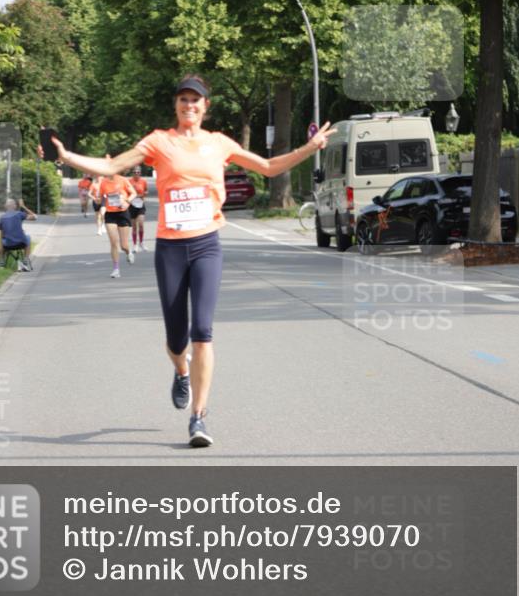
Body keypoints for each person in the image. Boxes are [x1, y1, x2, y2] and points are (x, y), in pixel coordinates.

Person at [41, 74, 336, 448]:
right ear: (176, 106)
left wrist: (310, 148)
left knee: (203, 332)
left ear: (205, 107)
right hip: (171, 248)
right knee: (176, 338)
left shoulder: (219, 144)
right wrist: (67, 157)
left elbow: (268, 166)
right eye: (183, 100)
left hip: (206, 245)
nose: (189, 106)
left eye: (195, 101)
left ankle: (199, 416)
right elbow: (113, 166)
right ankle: (181, 371)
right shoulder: (158, 141)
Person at [98, 157, 137, 278]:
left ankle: (128, 251)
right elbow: (102, 198)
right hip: (110, 214)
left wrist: (127, 201)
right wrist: (102, 204)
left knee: (123, 245)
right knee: (113, 242)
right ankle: (116, 269)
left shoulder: (123, 180)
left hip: (123, 212)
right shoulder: (103, 182)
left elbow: (134, 193)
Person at [0, 198, 37, 271]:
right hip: (21, 243)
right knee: (28, 237)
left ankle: (2, 264)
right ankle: (25, 261)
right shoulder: (19, 214)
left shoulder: (2, 218)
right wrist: (23, 206)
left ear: (6, 206)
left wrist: (0, 247)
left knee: (2, 240)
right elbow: (35, 217)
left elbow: (1, 234)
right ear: (15, 206)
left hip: (8, 245)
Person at [129, 165, 149, 252]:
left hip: (140, 204)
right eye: (135, 172)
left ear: (140, 173)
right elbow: (126, 192)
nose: (136, 174)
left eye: (138, 172)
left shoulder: (143, 181)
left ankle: (141, 243)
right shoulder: (129, 182)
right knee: (134, 227)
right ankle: (135, 245)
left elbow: (146, 191)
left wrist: (144, 195)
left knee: (141, 225)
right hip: (132, 205)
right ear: (132, 173)